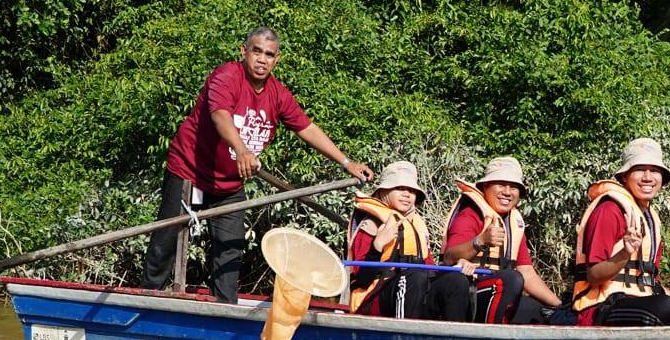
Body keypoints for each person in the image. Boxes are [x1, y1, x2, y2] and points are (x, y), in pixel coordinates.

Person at [142, 27, 373, 303]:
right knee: (165, 244)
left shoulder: (277, 94)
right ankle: (145, 300)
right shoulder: (227, 77)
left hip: (228, 187)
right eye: (257, 51)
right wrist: (241, 149)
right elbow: (220, 115)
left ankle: (225, 314)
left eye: (269, 54)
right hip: (190, 176)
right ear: (244, 52)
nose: (262, 59)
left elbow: (306, 127)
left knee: (230, 251)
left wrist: (346, 162)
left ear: (277, 59)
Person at [571, 138, 670, 326]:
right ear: (624, 177)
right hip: (599, 309)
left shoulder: (649, 217)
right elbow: (594, 276)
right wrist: (625, 253)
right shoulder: (609, 210)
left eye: (654, 171)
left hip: (638, 303)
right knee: (664, 307)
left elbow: (651, 287)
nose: (647, 177)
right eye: (639, 170)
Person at [348, 161, 477, 320]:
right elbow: (361, 279)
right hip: (374, 300)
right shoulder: (372, 223)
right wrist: (377, 247)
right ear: (383, 192)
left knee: (456, 280)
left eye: (411, 190)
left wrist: (456, 268)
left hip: (415, 291)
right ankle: (404, 339)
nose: (406, 194)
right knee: (414, 276)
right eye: (400, 188)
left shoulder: (418, 225)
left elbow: (430, 270)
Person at [441, 157, 564, 323]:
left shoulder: (513, 223)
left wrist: (560, 306)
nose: (507, 192)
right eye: (501, 184)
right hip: (467, 293)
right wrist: (480, 241)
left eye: (513, 187)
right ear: (485, 187)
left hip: (498, 290)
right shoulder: (470, 214)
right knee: (511, 279)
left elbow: (526, 272)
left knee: (540, 311)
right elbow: (450, 256)